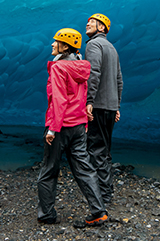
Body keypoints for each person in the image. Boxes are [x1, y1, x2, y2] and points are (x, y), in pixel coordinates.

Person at [37, 28, 108, 228]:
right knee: (84, 169)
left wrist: (52, 128)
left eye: (56, 41)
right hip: (78, 126)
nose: (52, 44)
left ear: (65, 46)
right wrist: (84, 123)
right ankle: (98, 211)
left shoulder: (59, 68)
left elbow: (59, 100)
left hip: (60, 126)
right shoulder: (81, 67)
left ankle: (47, 215)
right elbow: (81, 98)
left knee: (48, 171)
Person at [84, 13, 123, 206]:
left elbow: (93, 72)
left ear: (102, 28)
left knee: (95, 150)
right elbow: (119, 80)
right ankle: (107, 190)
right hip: (109, 106)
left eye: (92, 22)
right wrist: (116, 106)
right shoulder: (112, 48)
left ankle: (103, 197)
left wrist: (89, 100)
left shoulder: (93, 45)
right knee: (105, 150)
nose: (87, 23)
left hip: (98, 105)